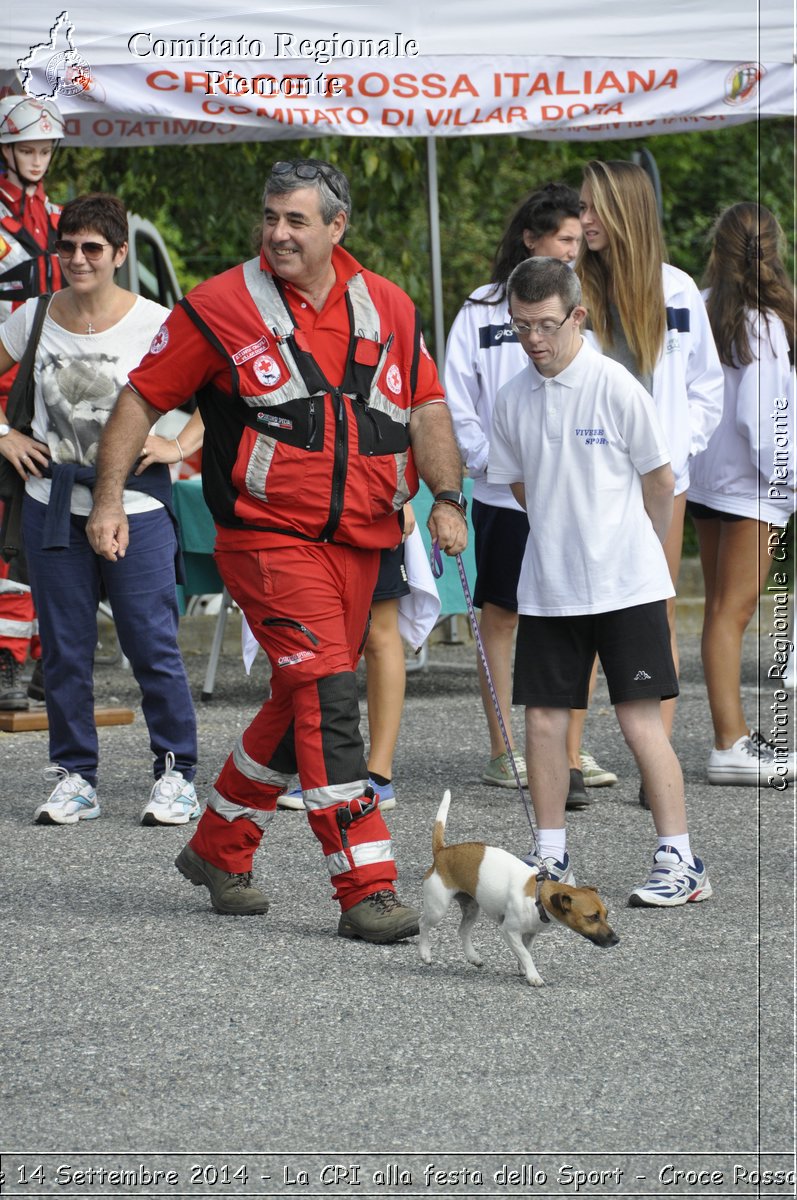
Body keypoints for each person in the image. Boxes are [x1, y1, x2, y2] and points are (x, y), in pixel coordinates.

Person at [87, 158, 467, 944]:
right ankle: (365, 888)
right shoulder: (220, 305)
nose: (277, 233)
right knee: (327, 699)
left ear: (337, 227)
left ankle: (217, 849)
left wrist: (449, 499)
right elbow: (141, 397)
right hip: (266, 541)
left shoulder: (388, 306)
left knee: (295, 700)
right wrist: (107, 497)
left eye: (296, 220)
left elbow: (426, 405)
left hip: (363, 541)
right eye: (270, 217)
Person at [489, 256, 712, 907]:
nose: (534, 340)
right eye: (520, 326)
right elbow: (522, 486)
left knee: (640, 723)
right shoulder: (511, 398)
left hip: (628, 586)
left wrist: (630, 551)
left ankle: (680, 860)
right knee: (541, 724)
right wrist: (566, 538)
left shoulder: (615, 387)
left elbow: (660, 482)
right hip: (549, 589)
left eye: (546, 325)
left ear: (576, 316)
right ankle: (550, 855)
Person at [0, 193, 199, 826]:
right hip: (51, 498)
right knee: (63, 645)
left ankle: (176, 771)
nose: (79, 259)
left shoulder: (155, 321)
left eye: (93, 249)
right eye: (69, 247)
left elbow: (227, 394)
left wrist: (176, 442)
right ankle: (74, 774)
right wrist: (3, 436)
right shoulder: (31, 317)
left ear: (119, 255)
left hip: (138, 503)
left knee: (150, 641)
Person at [444, 182, 615, 808]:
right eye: (565, 240)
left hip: (566, 494)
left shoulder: (578, 306)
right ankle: (503, 747)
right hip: (501, 496)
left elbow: (590, 392)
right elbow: (456, 401)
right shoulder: (480, 310)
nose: (576, 251)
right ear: (530, 239)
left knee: (578, 611)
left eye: (578, 241)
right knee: (505, 615)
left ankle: (569, 748)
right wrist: (494, 461)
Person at [577, 160, 724, 803]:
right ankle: (570, 756)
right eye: (580, 208)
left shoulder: (677, 290)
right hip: (582, 481)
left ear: (626, 212)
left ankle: (653, 762)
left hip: (658, 481)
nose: (582, 220)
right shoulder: (568, 286)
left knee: (655, 610)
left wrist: (669, 453)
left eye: (592, 208)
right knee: (574, 612)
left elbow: (704, 391)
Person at [688, 202, 796, 785]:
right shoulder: (767, 322)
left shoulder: (700, 310)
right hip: (754, 486)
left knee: (718, 613)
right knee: (734, 613)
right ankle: (730, 744)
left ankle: (731, 737)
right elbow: (764, 420)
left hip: (706, 480)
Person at [0, 95, 65, 710]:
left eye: (45, 149)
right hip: (2, 393)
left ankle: (51, 658)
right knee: (5, 536)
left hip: (51, 387)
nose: (37, 159)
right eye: (27, 149)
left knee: (53, 526)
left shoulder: (60, 217)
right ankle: (3, 661)